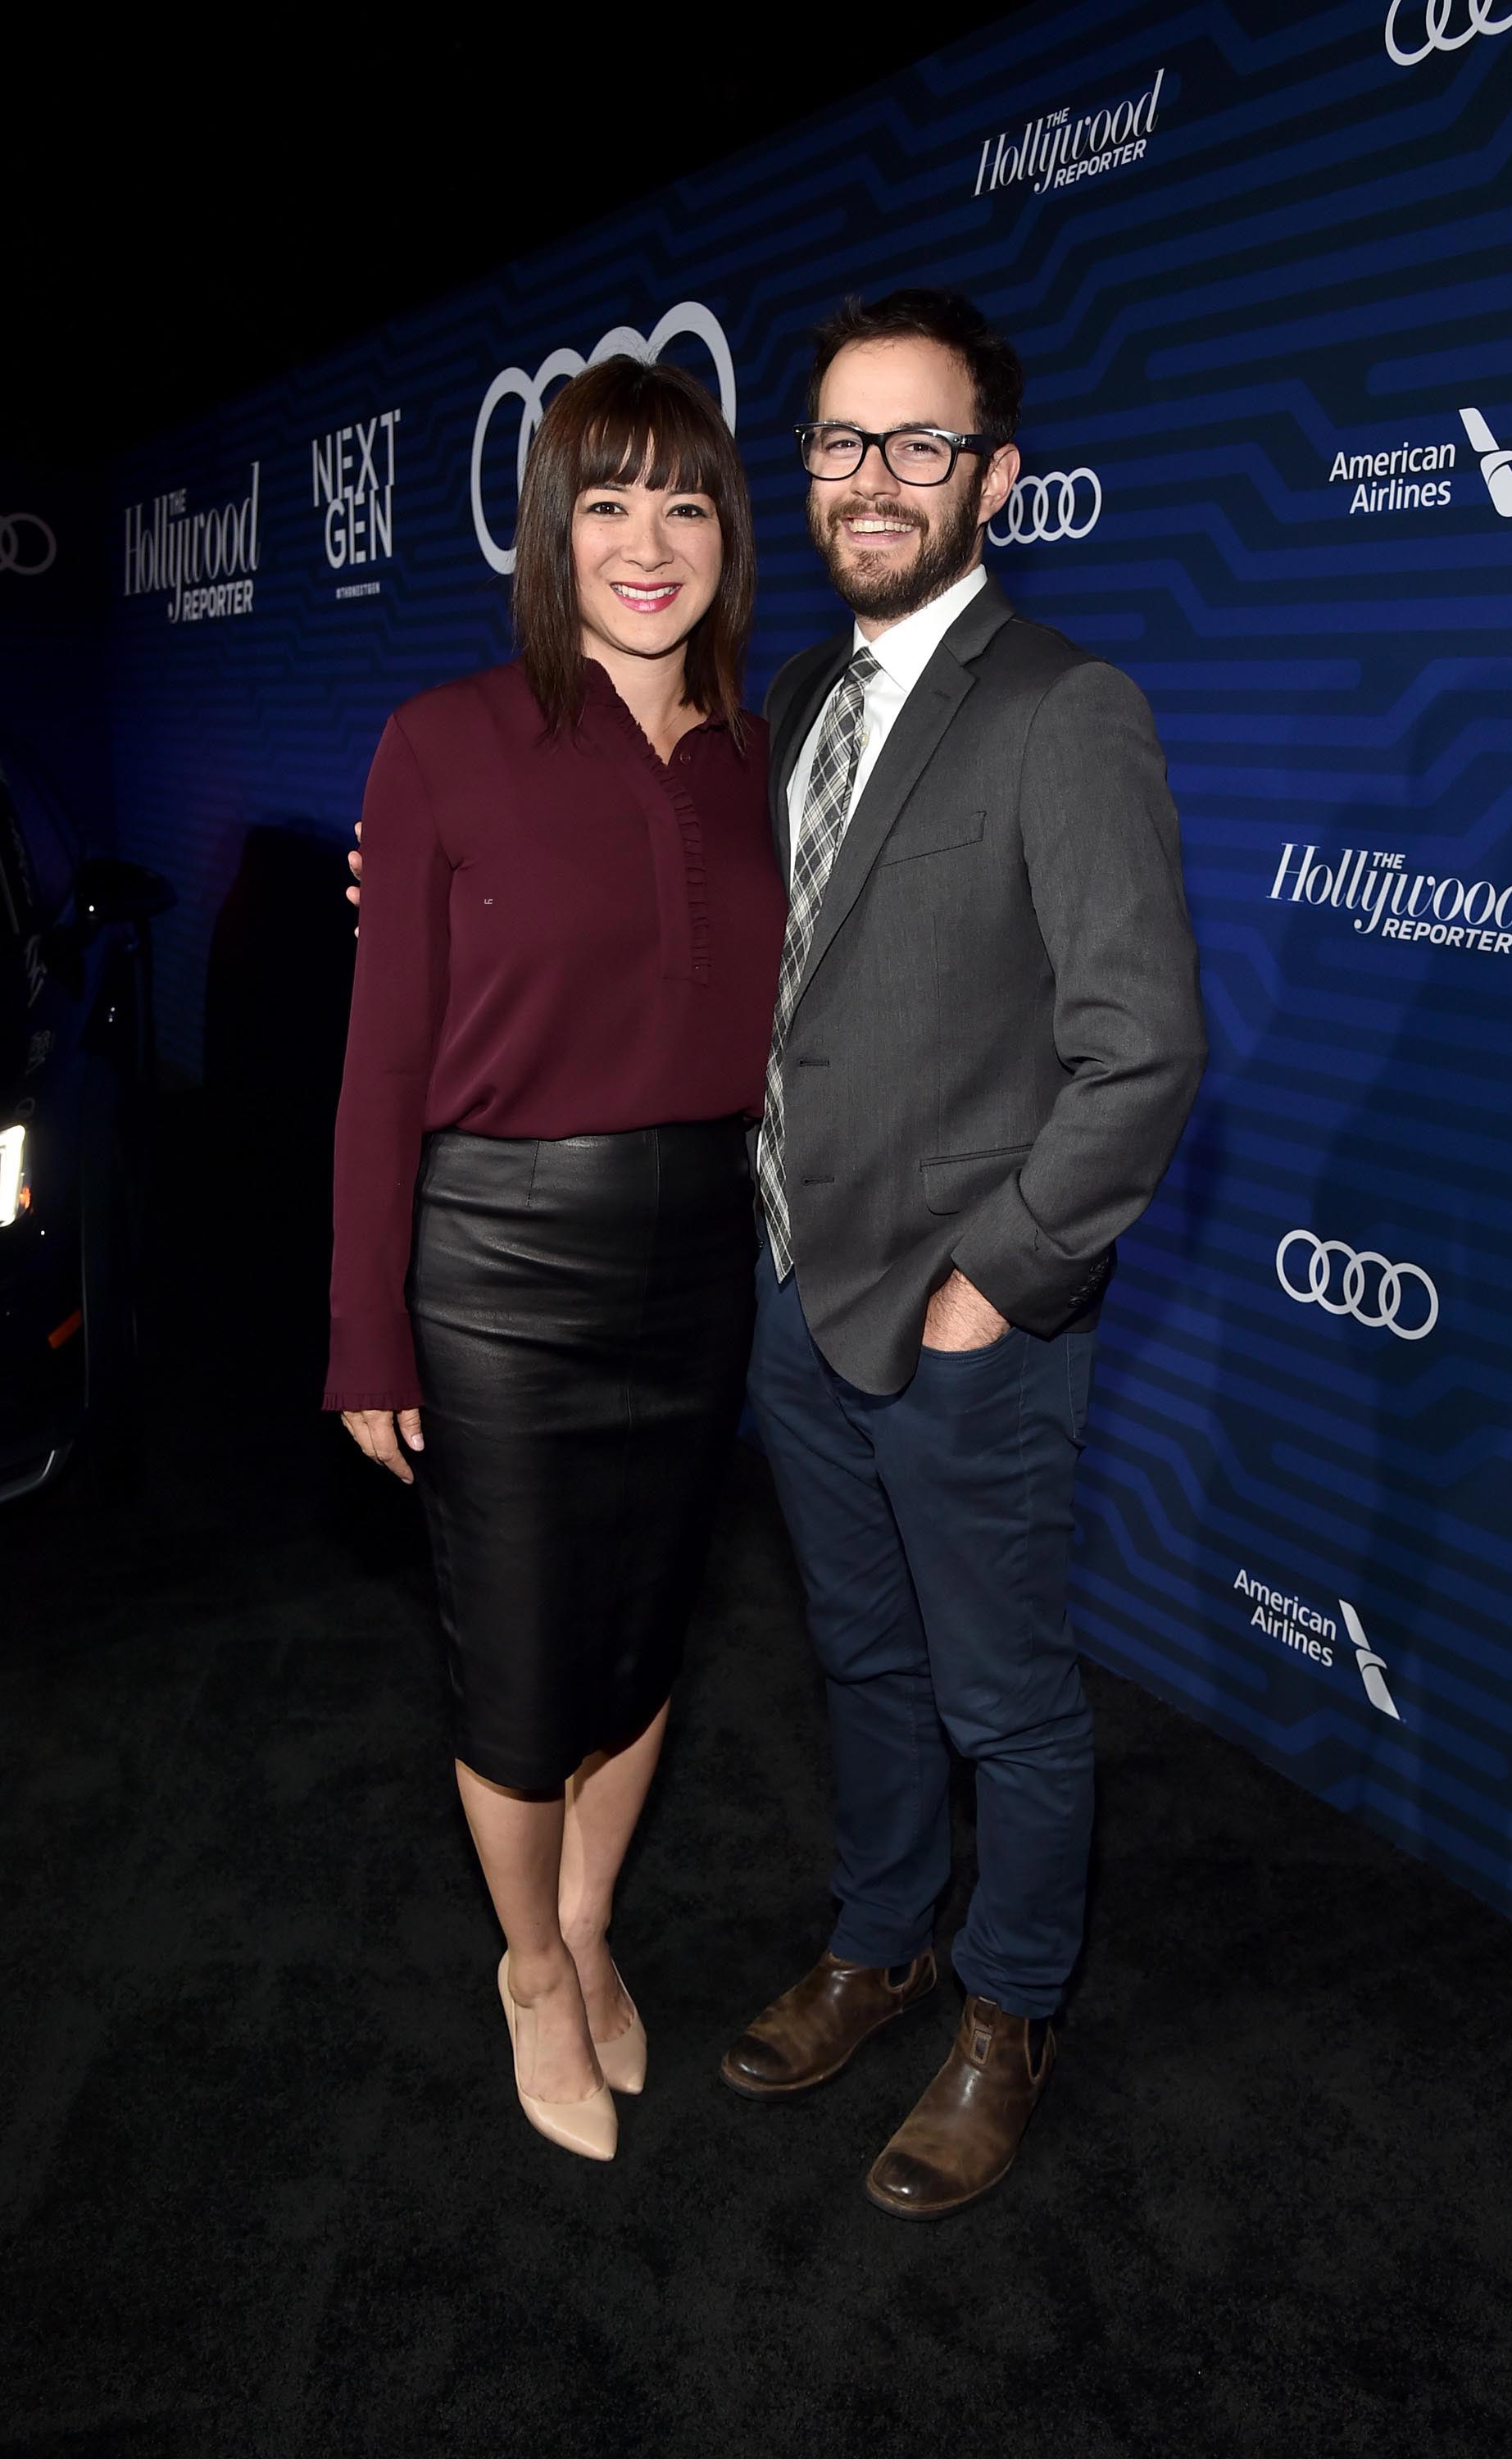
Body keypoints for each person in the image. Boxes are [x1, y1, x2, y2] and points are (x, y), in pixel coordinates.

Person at [717, 289, 1207, 2218]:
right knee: (856, 1657)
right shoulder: (799, 703)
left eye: (922, 444)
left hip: (961, 1324)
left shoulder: (1063, 705)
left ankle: (1008, 2010)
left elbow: (1143, 1046)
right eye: (841, 442)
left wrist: (993, 1281)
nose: (873, 480)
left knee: (1003, 1694)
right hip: (786, 1289)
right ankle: (883, 1937)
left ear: (998, 475)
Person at [325, 357, 784, 2163]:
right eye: (605, 501)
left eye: (683, 500)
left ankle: (592, 1925)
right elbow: (376, 1071)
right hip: (499, 1273)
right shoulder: (443, 739)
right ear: (550, 529)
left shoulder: (769, 750)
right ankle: (528, 1964)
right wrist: (369, 1331)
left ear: (727, 530)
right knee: (521, 1676)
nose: (647, 541)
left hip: (701, 1264)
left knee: (647, 1640)